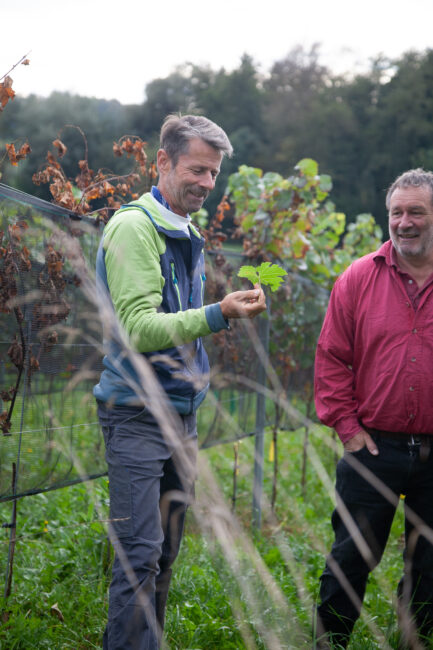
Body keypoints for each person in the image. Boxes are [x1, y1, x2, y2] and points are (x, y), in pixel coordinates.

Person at [93, 114, 266, 650]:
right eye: (197, 170)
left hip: (181, 417)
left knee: (164, 554)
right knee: (139, 555)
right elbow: (140, 328)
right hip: (138, 416)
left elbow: (177, 323)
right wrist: (219, 313)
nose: (207, 184)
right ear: (162, 162)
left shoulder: (185, 230)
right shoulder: (133, 228)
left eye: (214, 174)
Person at [314, 168, 433, 648]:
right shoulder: (359, 277)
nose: (404, 222)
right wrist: (346, 426)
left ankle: (415, 641)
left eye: (416, 212)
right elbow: (331, 358)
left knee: (429, 566)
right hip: (373, 447)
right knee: (351, 556)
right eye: (396, 213)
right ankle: (330, 643)